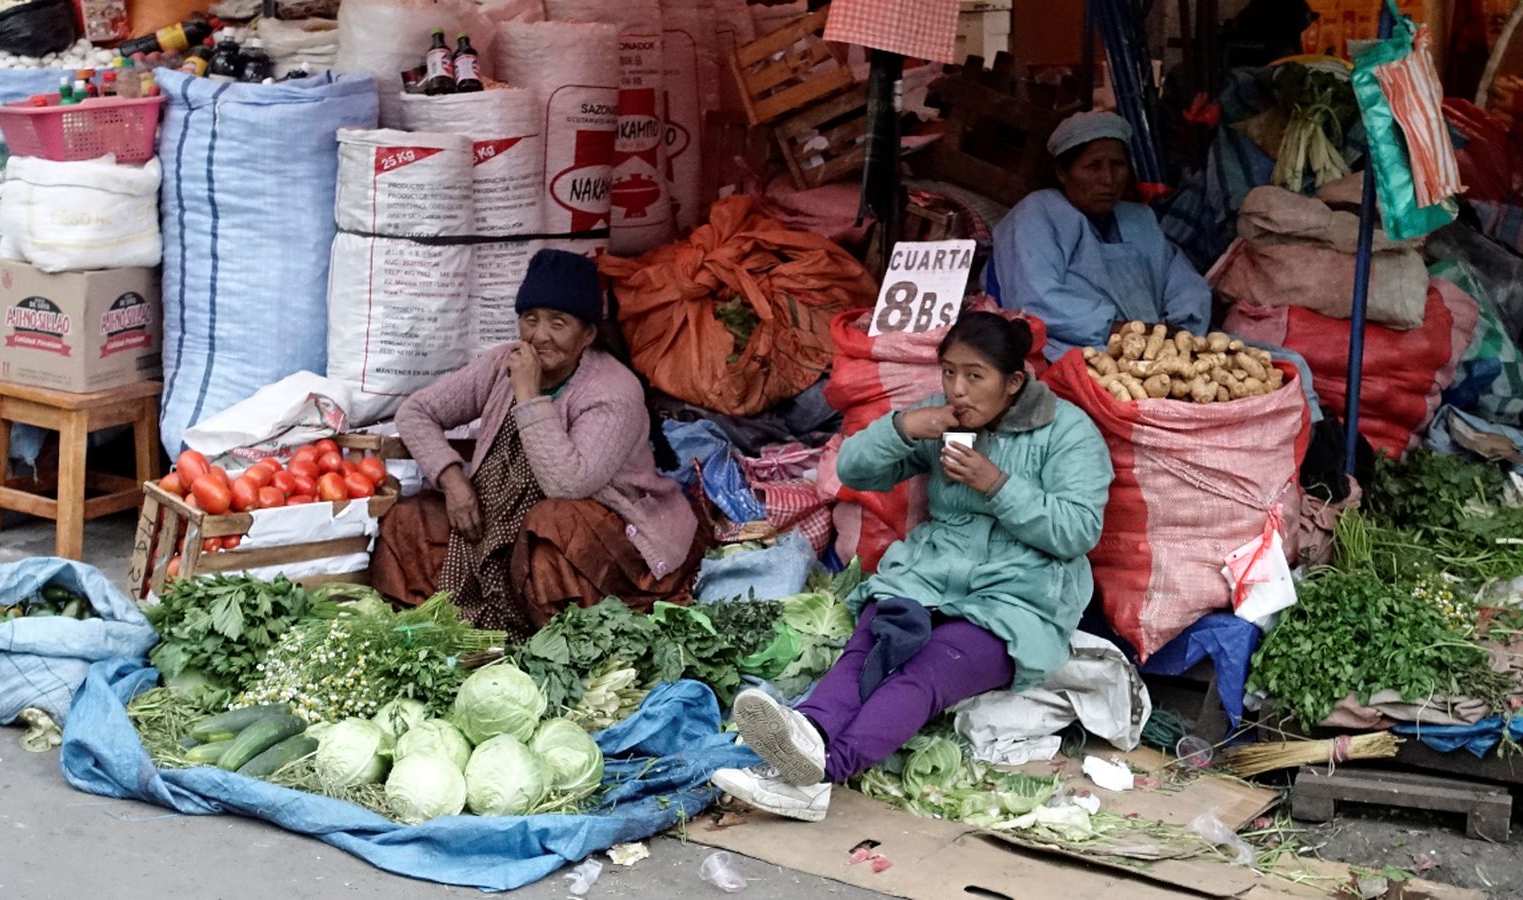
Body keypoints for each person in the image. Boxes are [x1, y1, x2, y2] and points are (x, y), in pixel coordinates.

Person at [710, 312, 1113, 821]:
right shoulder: (939, 418)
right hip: (929, 575)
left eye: (974, 376)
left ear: (1013, 383)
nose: (958, 390)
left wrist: (997, 485)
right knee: (874, 646)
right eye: (949, 372)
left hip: (1018, 598)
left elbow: (1077, 531)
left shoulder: (1068, 432)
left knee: (920, 676)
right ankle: (806, 735)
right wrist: (903, 428)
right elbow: (852, 469)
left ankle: (824, 771)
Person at [370, 249, 705, 638]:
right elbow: (416, 412)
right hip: (496, 522)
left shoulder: (613, 392)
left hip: (601, 534)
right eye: (530, 320)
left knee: (550, 524)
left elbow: (568, 485)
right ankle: (432, 635)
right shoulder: (502, 364)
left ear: (588, 335)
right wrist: (452, 480)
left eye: (558, 324)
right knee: (409, 521)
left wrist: (528, 395)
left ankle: (549, 643)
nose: (539, 336)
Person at [988, 110, 1211, 360]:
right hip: (1075, 351)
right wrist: (1119, 330)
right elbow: (1035, 298)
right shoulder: (1036, 214)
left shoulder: (1140, 219)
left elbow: (1184, 282)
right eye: (1093, 166)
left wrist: (1179, 331)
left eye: (1118, 165)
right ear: (1062, 172)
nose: (1108, 179)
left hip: (1156, 350)